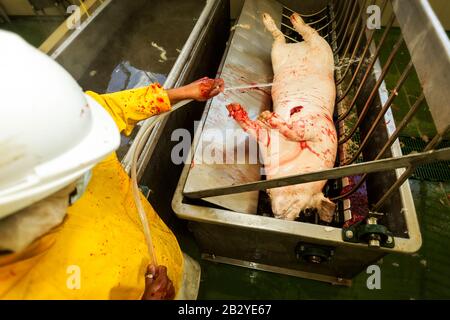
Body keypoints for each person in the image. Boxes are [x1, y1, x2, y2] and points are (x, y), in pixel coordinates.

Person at [0, 30, 224, 299]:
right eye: (69, 181)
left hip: (158, 252)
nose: (85, 169)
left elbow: (110, 107)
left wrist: (180, 93)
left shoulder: (63, 124)